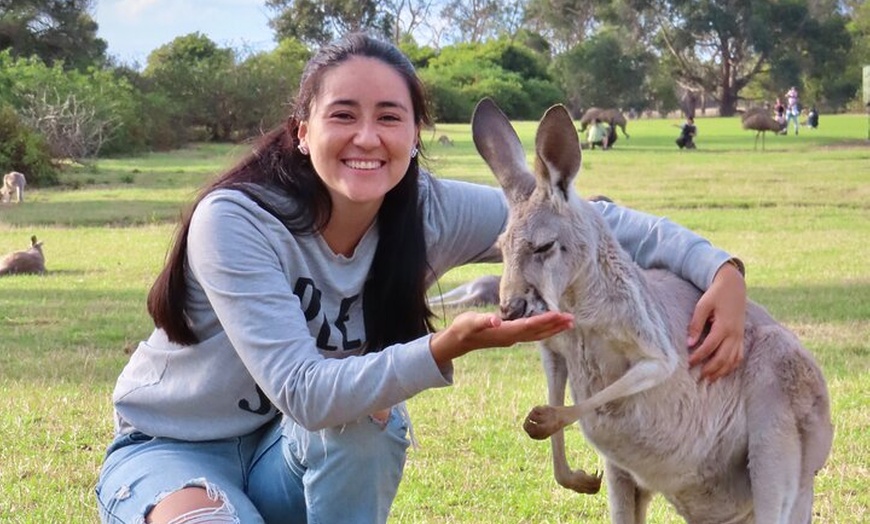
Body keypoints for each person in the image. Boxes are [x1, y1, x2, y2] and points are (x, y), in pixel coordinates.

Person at [94, 33, 747, 524]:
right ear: (302, 132)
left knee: (369, 419)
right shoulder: (237, 221)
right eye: (343, 115)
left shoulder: (427, 210)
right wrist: (443, 349)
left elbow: (592, 223)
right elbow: (304, 390)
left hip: (290, 459)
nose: (367, 138)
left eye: (389, 118)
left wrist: (720, 269)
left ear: (414, 135)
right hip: (178, 450)